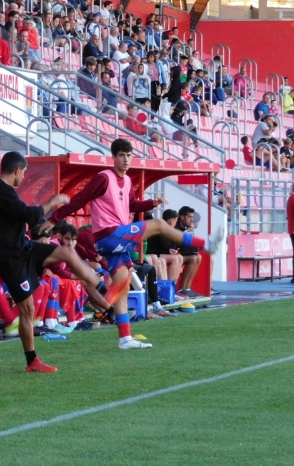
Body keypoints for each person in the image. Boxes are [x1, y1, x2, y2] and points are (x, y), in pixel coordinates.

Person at [47, 139, 222, 349]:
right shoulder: (104, 178)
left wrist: (151, 203)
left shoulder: (128, 181)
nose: (126, 159)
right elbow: (80, 199)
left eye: (129, 155)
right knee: (158, 224)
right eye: (121, 155)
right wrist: (53, 219)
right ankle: (206, 243)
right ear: (114, 157)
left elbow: (132, 205)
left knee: (122, 285)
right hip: (108, 235)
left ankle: (125, 338)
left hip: (118, 239)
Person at [0, 152, 111, 372]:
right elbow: (25, 213)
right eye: (24, 173)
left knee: (66, 252)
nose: (24, 177)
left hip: (24, 249)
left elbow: (25, 218)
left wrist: (45, 224)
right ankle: (32, 361)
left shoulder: (3, 192)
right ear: (18, 170)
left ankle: (98, 285)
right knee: (27, 309)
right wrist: (51, 202)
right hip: (11, 259)